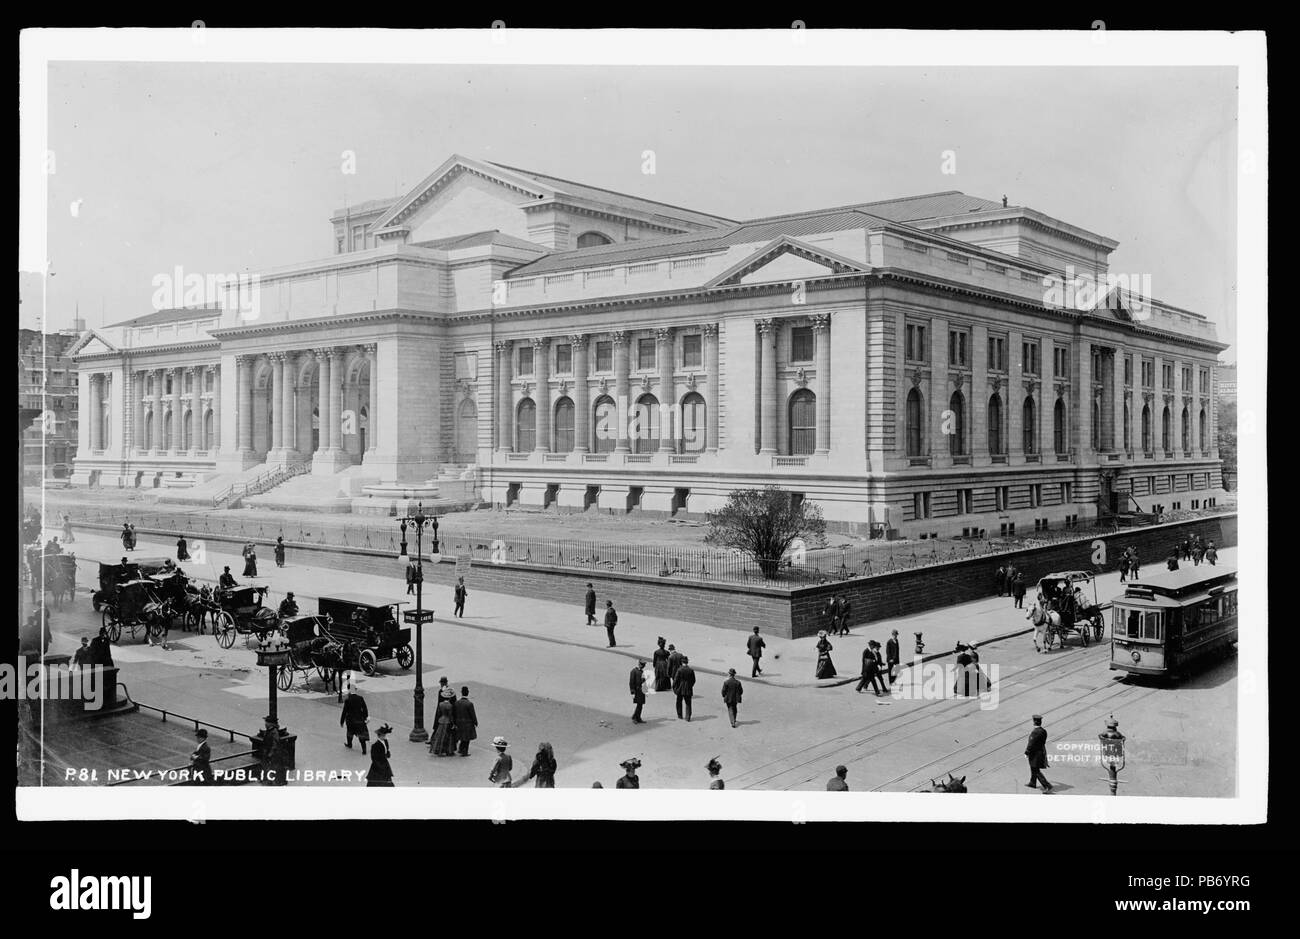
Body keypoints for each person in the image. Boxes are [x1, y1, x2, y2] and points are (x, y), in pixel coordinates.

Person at [1025, 714, 1053, 793]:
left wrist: (1027, 752)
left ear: (1034, 722)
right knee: (1033, 768)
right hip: (1041, 752)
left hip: (1034, 754)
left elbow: (1031, 743)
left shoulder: (1035, 732)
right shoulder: (1044, 731)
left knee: (1035, 770)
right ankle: (1032, 783)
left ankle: (1047, 786)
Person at [341, 689, 369, 754]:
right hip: (359, 719)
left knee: (350, 732)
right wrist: (365, 717)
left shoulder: (347, 700)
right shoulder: (360, 698)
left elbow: (344, 711)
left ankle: (349, 744)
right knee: (361, 735)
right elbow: (365, 708)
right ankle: (364, 750)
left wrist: (342, 721)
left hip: (350, 720)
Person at [430, 687, 456, 756]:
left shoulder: (441, 704)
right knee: (447, 736)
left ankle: (438, 749)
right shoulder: (450, 706)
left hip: (441, 720)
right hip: (447, 721)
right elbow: (450, 715)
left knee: (439, 735)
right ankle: (448, 750)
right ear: (449, 698)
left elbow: (439, 713)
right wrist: (453, 723)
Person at [454, 687, 478, 756]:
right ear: (467, 693)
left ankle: (460, 749)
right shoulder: (469, 704)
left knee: (462, 737)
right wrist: (475, 722)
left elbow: (455, 713)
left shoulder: (457, 703)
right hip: (467, 723)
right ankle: (464, 751)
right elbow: (472, 714)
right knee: (467, 738)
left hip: (459, 722)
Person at [672, 655, 696, 721]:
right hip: (688, 688)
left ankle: (680, 715)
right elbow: (693, 680)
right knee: (688, 703)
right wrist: (690, 685)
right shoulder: (691, 670)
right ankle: (688, 717)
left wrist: (675, 688)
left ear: (682, 662)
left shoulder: (679, 670)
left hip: (680, 688)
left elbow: (675, 680)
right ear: (687, 662)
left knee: (679, 702)